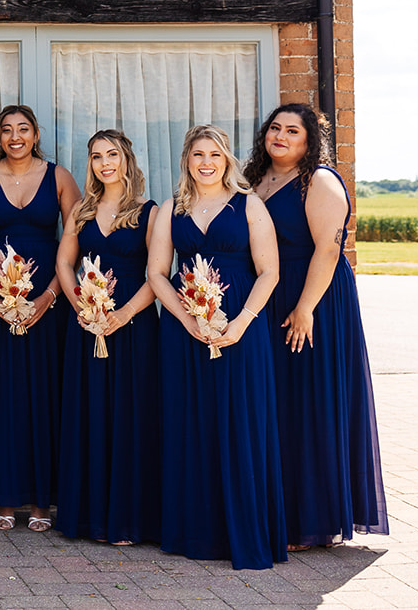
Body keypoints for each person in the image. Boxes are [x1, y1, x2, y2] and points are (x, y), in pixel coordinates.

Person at [245, 104, 387, 550]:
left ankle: (312, 521)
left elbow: (328, 248)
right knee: (279, 402)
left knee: (308, 402)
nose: (281, 136)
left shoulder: (319, 180)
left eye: (292, 131)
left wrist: (306, 307)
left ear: (309, 141)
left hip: (313, 299)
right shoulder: (254, 180)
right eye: (275, 129)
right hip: (270, 297)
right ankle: (280, 510)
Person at [148, 123, 287, 570]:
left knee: (239, 424)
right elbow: (156, 273)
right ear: (186, 161)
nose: (206, 163)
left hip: (241, 330)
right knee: (192, 424)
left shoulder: (250, 205)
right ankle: (195, 532)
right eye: (197, 156)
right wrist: (187, 319)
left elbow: (269, 272)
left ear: (227, 159)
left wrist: (243, 322)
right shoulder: (172, 208)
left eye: (214, 155)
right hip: (184, 331)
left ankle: (242, 533)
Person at [0, 105, 80, 532]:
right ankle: (5, 496)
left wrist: (50, 296)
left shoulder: (60, 177)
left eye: (23, 129)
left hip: (50, 300)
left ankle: (42, 501)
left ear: (35, 134)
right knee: (0, 398)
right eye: (7, 130)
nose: (15, 137)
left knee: (45, 396)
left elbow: (76, 239)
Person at [54, 130, 161, 546]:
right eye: (96, 156)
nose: (104, 163)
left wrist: (123, 314)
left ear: (126, 158)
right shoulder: (81, 209)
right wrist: (82, 305)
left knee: (132, 417)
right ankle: (91, 517)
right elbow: (64, 262)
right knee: (92, 414)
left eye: (112, 154)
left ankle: (130, 520)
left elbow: (158, 273)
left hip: (134, 328)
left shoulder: (149, 212)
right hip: (87, 327)